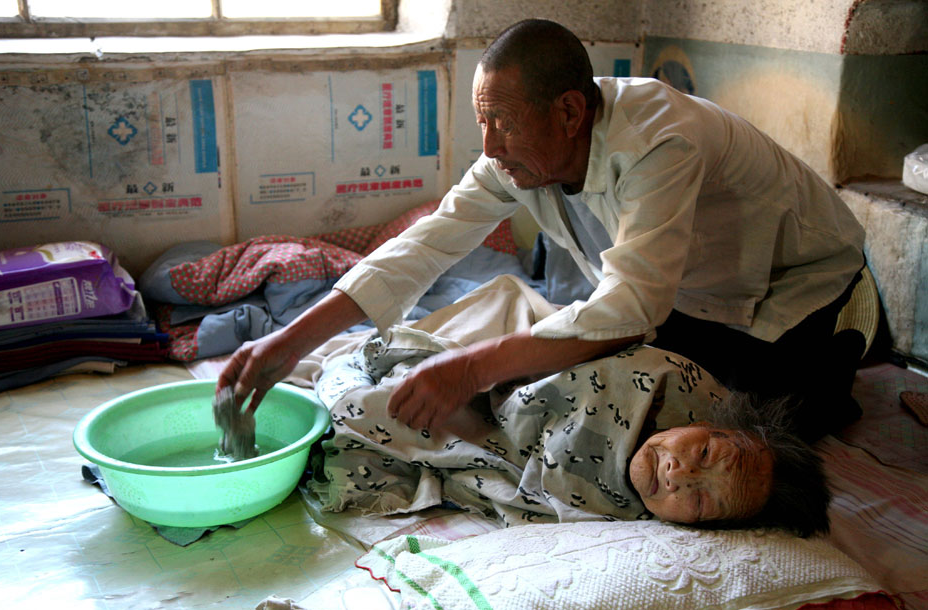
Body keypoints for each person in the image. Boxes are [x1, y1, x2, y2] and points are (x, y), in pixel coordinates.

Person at [218, 18, 866, 443]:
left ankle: (833, 360)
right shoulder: (518, 156)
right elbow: (425, 245)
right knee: (629, 368)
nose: (488, 145)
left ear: (568, 112)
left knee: (754, 426)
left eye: (501, 122)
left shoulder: (660, 140)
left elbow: (631, 304)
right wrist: (285, 343)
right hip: (692, 286)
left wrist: (469, 366)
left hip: (795, 276)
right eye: (482, 123)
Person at [306, 277, 831, 537]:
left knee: (358, 422)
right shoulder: (680, 384)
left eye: (696, 502)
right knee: (422, 363)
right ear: (719, 426)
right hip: (512, 383)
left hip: (490, 443)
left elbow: (516, 487)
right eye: (709, 455)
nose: (678, 473)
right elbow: (581, 361)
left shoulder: (617, 515)